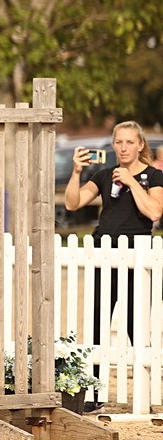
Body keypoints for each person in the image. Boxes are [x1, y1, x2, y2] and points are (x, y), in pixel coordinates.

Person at [63, 121, 163, 401]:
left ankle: (150, 394)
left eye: (130, 142)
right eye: (119, 142)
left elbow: (154, 212)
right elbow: (73, 203)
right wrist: (76, 172)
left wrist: (131, 181)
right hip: (103, 257)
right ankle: (94, 394)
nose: (123, 148)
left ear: (141, 144)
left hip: (136, 260)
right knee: (97, 325)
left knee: (138, 326)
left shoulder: (154, 177)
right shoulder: (105, 175)